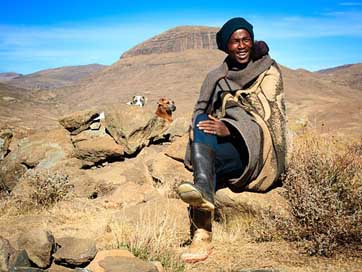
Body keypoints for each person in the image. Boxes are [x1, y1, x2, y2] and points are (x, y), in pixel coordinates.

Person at [176, 17, 287, 263]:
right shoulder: (217, 77)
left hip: (259, 152)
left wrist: (229, 127)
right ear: (226, 46)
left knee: (207, 149)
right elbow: (201, 110)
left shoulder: (268, 69)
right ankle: (202, 232)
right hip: (231, 155)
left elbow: (267, 114)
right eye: (235, 41)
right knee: (200, 120)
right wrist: (204, 125)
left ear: (252, 40)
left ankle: (203, 192)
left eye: (246, 39)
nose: (241, 46)